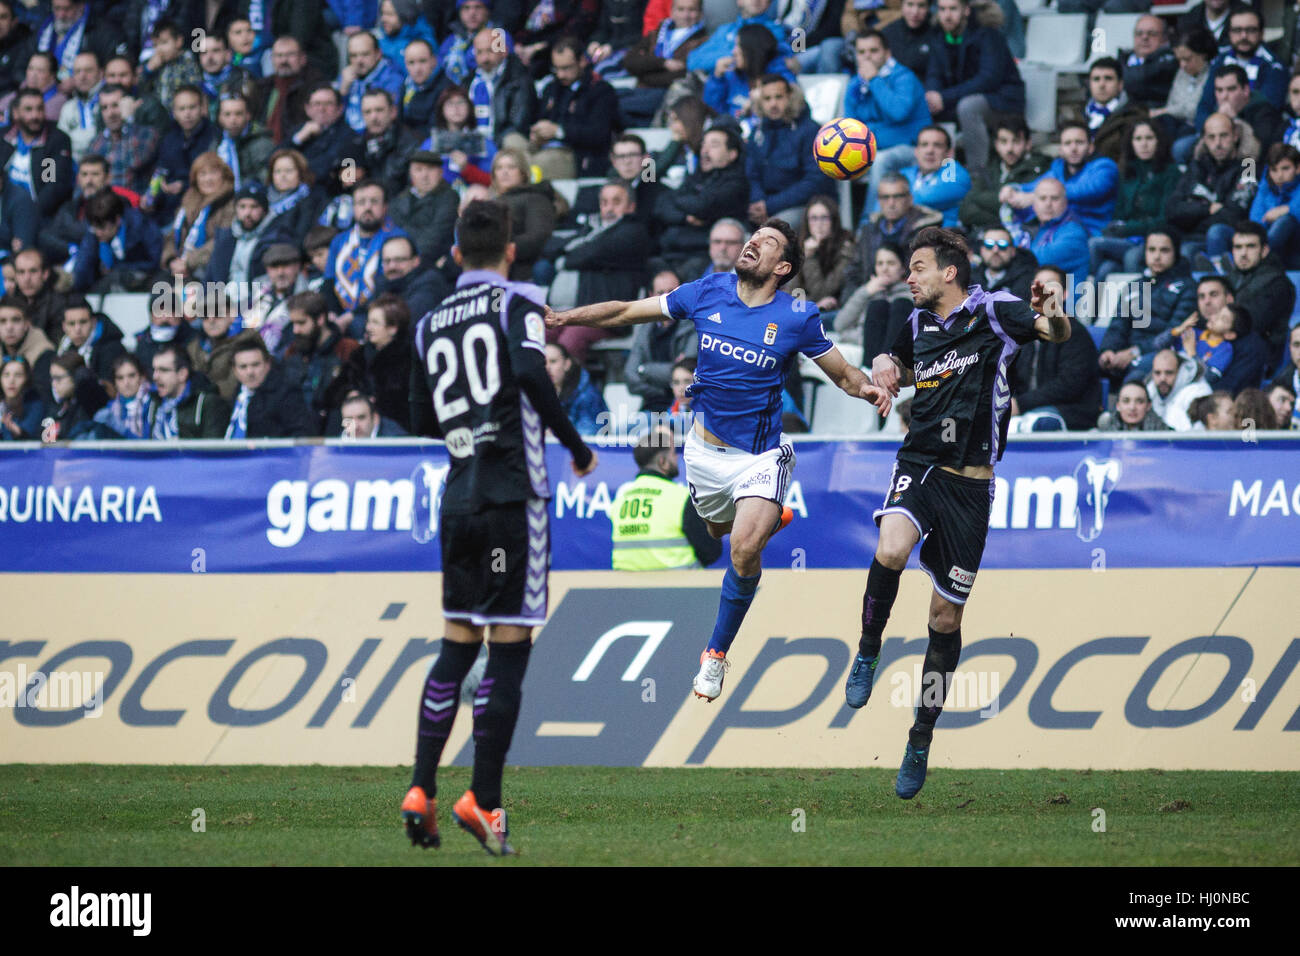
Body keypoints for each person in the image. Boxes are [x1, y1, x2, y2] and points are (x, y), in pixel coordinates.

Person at [548, 217, 890, 705]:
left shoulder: (796, 314)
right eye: (754, 236)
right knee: (716, 530)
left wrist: (867, 389)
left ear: (784, 266)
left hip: (761, 454)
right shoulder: (708, 290)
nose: (753, 243)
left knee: (744, 550)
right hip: (704, 454)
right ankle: (766, 516)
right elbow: (626, 311)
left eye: (767, 242)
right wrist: (564, 318)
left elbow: (841, 373)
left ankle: (715, 653)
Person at [402, 199, 598, 856]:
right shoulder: (518, 309)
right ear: (510, 253)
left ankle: (421, 787)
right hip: (513, 497)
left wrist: (467, 429)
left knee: (457, 646)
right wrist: (574, 443)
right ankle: (483, 800)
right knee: (509, 649)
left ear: (456, 254)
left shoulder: (430, 323)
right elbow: (524, 371)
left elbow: (416, 410)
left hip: (457, 496)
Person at [849, 226, 1073, 799]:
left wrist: (1053, 303)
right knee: (891, 548)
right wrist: (882, 362)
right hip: (921, 462)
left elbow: (1055, 330)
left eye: (918, 267)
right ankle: (868, 652)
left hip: (973, 488)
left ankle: (920, 736)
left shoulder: (995, 311)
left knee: (944, 621)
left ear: (949, 272)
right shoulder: (917, 319)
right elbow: (891, 355)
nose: (910, 276)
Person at [923, 0, 1023, 178]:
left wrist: (944, 97)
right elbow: (934, 73)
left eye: (953, 9)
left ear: (966, 10)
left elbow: (988, 79)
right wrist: (933, 95)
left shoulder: (988, 34)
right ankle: (940, 175)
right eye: (943, 9)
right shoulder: (938, 36)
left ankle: (978, 174)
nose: (947, 15)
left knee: (968, 107)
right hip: (959, 98)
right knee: (927, 105)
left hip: (1002, 100)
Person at [848, 29, 940, 211]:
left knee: (882, 160)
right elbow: (850, 129)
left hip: (911, 148)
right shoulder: (854, 84)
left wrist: (875, 80)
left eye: (873, 51)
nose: (867, 57)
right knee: (833, 161)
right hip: (872, 149)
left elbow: (898, 112)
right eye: (861, 52)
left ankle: (869, 224)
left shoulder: (904, 77)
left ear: (887, 53)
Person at [612, 426, 723, 570]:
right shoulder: (681, 497)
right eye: (672, 453)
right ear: (662, 462)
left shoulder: (622, 496)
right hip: (678, 587)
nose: (676, 457)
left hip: (627, 588)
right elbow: (711, 551)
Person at [1008, 265, 1101, 431]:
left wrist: (1020, 404)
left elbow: (1069, 386)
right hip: (1026, 409)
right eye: (1038, 285)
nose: (1043, 290)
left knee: (1038, 424)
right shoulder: (1022, 332)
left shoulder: (1076, 333)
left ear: (1065, 294)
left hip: (1070, 411)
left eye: (1051, 285)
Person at [1098, 229, 1196, 385]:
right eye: (1152, 250)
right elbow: (1117, 326)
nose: (1157, 256)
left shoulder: (1188, 288)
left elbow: (1172, 332)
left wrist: (1134, 352)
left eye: (1164, 250)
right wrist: (1108, 351)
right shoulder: (1133, 286)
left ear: (1175, 253)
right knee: (1083, 367)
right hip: (1127, 352)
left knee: (1136, 374)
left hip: (1160, 354)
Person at [652, 126, 749, 276]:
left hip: (701, 256)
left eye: (714, 145)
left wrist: (677, 200)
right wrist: (685, 217)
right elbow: (661, 205)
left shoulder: (735, 184)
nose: (705, 150)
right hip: (671, 252)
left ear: (732, 154)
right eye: (703, 144)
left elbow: (701, 206)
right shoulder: (696, 177)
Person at [1166, 112, 1259, 267]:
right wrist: (1207, 209)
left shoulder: (1249, 165)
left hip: (1231, 238)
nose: (1218, 143)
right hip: (1193, 236)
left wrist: (1191, 217)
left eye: (1224, 136)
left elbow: (1234, 215)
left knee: (1212, 235)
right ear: (1204, 139)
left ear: (1235, 136)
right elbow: (1172, 209)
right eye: (1211, 137)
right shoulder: (1197, 164)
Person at [1090, 119, 1179, 280]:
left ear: (1159, 141)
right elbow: (1119, 213)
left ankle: (1139, 302)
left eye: (1149, 138)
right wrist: (1115, 228)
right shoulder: (1127, 172)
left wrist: (1127, 229)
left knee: (1131, 257)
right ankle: (1089, 304)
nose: (1143, 144)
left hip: (1154, 240)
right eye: (1138, 139)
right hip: (1128, 238)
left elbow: (1164, 218)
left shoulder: (1171, 173)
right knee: (1103, 265)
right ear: (1130, 143)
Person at [523, 36, 619, 181]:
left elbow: (599, 134)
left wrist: (559, 131)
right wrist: (536, 133)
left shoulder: (601, 90)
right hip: (542, 148)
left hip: (576, 155)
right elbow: (538, 118)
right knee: (509, 154)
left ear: (582, 61)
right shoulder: (551, 88)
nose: (561, 74)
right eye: (556, 68)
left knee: (529, 168)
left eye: (566, 68)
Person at [841, 174, 942, 307]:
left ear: (909, 199)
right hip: (869, 302)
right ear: (879, 200)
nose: (891, 203)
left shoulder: (926, 232)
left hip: (910, 302)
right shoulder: (869, 231)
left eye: (897, 196)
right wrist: (852, 301)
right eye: (885, 197)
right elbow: (854, 272)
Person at [1007, 122, 1118, 239]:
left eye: (1079, 142)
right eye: (1067, 143)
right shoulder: (1058, 168)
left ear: (1090, 147)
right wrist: (1013, 189)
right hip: (1059, 229)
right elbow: (1038, 184)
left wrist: (1035, 196)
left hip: (1094, 234)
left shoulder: (1105, 168)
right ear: (1060, 149)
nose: (1073, 148)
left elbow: (1086, 190)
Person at [559, 179, 654, 314]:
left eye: (616, 202)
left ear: (631, 207)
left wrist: (564, 258)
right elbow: (551, 245)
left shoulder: (633, 233)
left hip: (607, 315)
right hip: (573, 309)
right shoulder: (590, 228)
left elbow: (593, 253)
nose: (609, 208)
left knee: (569, 336)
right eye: (604, 202)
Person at [1193, 7, 1288, 136]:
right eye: (1237, 30)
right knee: (1181, 148)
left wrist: (1234, 120)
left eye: (1250, 30)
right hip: (1215, 130)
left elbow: (1269, 112)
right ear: (1229, 33)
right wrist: (1214, 124)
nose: (1244, 36)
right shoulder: (1219, 61)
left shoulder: (1274, 66)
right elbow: (1204, 107)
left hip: (1255, 135)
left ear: (1261, 33)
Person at [743, 74, 820, 227]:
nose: (773, 104)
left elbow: (813, 181)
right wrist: (758, 202)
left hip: (800, 207)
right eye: (767, 99)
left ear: (790, 97)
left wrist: (770, 205)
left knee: (773, 229)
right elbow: (751, 174)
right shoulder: (758, 132)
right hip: (763, 207)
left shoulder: (810, 131)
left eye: (779, 97)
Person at [323, 179, 407, 319]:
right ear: (354, 207)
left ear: (385, 207)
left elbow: (392, 286)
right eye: (361, 202)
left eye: (374, 202)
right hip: (340, 316)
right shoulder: (339, 241)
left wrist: (352, 317)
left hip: (382, 316)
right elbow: (329, 282)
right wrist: (332, 315)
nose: (367, 208)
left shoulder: (398, 240)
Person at [618, 0, 709, 128]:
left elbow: (681, 75)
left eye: (691, 10)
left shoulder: (703, 41)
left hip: (665, 94)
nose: (686, 15)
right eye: (681, 9)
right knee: (609, 95)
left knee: (610, 105)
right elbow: (629, 61)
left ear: (700, 14)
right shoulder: (658, 33)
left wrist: (644, 71)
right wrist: (663, 63)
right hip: (640, 90)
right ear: (671, 12)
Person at [328, 291, 410, 431]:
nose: (368, 328)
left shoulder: (408, 358)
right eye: (368, 321)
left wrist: (369, 403)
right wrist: (350, 394)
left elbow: (402, 403)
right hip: (355, 429)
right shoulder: (359, 356)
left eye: (375, 323)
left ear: (393, 328)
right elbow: (334, 391)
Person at [1223, 220, 1297, 368]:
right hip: (1227, 350)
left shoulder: (1277, 283)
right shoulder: (1230, 278)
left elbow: (1251, 323)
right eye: (1238, 247)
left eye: (1250, 246)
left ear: (1264, 250)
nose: (1243, 253)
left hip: (1260, 358)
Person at [283, 288, 360, 427]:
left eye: (301, 323)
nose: (295, 330)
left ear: (320, 319)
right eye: (293, 323)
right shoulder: (292, 352)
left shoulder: (347, 350)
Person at [958, 116, 1049, 232]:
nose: (1009, 148)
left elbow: (1019, 214)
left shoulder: (1037, 168)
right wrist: (1004, 218)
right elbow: (966, 211)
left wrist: (982, 200)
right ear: (996, 144)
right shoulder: (990, 168)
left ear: (1028, 144)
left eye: (1016, 141)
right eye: (1004, 141)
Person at [625, 269, 698, 412]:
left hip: (683, 410)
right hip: (649, 407)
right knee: (618, 431)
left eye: (671, 291)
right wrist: (663, 390)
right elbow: (630, 376)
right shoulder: (645, 329)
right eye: (660, 293)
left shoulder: (693, 326)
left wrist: (644, 369)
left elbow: (688, 371)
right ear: (651, 295)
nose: (666, 298)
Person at [0, 85, 75, 218]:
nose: (35, 115)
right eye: (28, 109)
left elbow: (51, 186)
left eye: (40, 109)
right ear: (16, 113)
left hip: (37, 214)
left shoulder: (52, 141)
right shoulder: (5, 138)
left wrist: (28, 214)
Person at [159, 151, 236, 280]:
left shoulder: (230, 204)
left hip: (207, 271)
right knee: (159, 288)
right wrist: (171, 260)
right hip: (178, 268)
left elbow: (220, 242)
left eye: (213, 173)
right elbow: (172, 236)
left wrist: (188, 263)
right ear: (195, 178)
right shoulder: (188, 201)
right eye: (203, 174)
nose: (208, 179)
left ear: (224, 176)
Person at [224, 336, 316, 438]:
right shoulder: (238, 395)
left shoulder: (287, 394)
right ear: (234, 370)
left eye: (255, 365)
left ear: (268, 364)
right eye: (243, 367)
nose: (250, 372)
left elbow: (301, 433)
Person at [834, 240, 913, 357]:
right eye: (880, 263)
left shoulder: (910, 294)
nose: (884, 268)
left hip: (898, 357)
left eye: (891, 263)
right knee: (877, 306)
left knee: (898, 305)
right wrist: (865, 291)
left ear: (902, 269)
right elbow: (839, 325)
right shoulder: (868, 293)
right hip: (868, 352)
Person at [72, 188, 162, 292]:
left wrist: (119, 269)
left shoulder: (143, 227)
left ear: (117, 220)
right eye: (95, 228)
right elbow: (82, 271)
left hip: (144, 284)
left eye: (103, 228)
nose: (98, 233)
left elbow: (154, 262)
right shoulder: (93, 233)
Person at [148, 84, 216, 221]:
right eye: (182, 109)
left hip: (200, 205)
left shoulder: (214, 137)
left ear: (202, 109)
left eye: (192, 107)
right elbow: (160, 170)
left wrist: (184, 186)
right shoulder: (169, 137)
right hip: (167, 207)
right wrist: (151, 195)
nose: (187, 114)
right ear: (174, 112)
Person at [703, 24, 793, 126]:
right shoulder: (732, 75)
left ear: (752, 50)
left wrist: (758, 103)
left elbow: (790, 112)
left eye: (738, 45)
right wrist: (717, 79)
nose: (733, 52)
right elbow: (714, 111)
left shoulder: (781, 77)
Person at [489, 148, 556, 283]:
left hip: (521, 270)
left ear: (523, 173)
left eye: (511, 167)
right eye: (499, 168)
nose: (504, 172)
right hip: (492, 268)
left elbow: (538, 237)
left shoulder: (536, 198)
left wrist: (500, 250)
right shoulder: (491, 202)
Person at [206, 181, 290, 286]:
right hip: (222, 299)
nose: (247, 213)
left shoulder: (276, 237)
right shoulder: (225, 237)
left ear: (264, 209)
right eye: (242, 207)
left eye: (254, 207)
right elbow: (209, 279)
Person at [86, 82, 159, 196]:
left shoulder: (147, 133)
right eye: (104, 108)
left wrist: (129, 120)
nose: (110, 113)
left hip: (135, 207)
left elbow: (135, 161)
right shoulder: (96, 142)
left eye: (115, 105)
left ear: (128, 104)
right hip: (103, 206)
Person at [467, 26, 537, 144]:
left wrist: (492, 145)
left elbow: (518, 124)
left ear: (504, 50)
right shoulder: (468, 81)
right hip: (472, 142)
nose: (485, 58)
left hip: (503, 143)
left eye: (490, 50)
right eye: (479, 52)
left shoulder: (519, 80)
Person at [790, 196, 855, 318]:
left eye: (824, 218)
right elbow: (793, 294)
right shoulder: (801, 244)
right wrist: (803, 257)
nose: (819, 224)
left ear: (834, 221)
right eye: (813, 218)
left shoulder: (846, 247)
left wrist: (810, 258)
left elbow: (823, 292)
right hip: (810, 308)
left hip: (836, 312)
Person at [148, 342, 229, 439]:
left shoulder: (208, 404)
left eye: (163, 370)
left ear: (182, 374)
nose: (155, 377)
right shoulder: (154, 403)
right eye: (154, 370)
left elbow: (212, 450)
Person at [257, 36, 323, 144]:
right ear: (272, 59)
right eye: (279, 55)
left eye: (290, 55)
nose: (284, 60)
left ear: (302, 58)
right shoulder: (263, 86)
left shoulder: (315, 85)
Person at [1026, 178, 1089, 287]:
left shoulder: (1074, 232)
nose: (1048, 204)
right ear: (1034, 204)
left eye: (1054, 198)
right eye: (1042, 198)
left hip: (1064, 302)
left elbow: (1037, 259)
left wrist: (1008, 253)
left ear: (1065, 202)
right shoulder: (1030, 228)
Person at [339, 31, 403, 134]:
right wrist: (343, 92)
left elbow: (387, 119)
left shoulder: (391, 79)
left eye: (365, 54)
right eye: (353, 56)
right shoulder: (346, 76)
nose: (359, 60)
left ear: (378, 54)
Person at [286, 85, 353, 184]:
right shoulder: (298, 131)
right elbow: (274, 159)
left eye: (328, 104)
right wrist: (298, 139)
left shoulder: (348, 136)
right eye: (317, 104)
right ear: (307, 109)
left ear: (340, 108)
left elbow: (326, 166)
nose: (322, 109)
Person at [373, 234, 450, 321]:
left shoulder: (429, 283)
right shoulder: (382, 284)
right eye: (387, 261)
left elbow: (404, 322)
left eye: (399, 260)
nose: (392, 266)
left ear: (416, 261)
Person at [1084, 57, 1146, 164]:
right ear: (1090, 84)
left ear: (1120, 85)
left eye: (1108, 78)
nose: (1101, 85)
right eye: (1096, 79)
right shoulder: (1078, 115)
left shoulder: (1134, 116)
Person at [1251, 142, 1300, 268]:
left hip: (1296, 247)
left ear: (1298, 168)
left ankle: (1259, 264)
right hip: (1273, 249)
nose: (1279, 175)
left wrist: (1287, 210)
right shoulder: (1265, 188)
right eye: (1274, 170)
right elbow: (1256, 220)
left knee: (1285, 221)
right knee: (1219, 231)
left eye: (1285, 168)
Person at [57, 297, 124, 387]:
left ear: (93, 322)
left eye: (83, 322)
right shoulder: (64, 347)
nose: (77, 329)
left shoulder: (112, 349)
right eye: (71, 324)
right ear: (64, 326)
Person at [544, 340, 607, 435]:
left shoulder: (587, 395)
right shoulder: (533, 393)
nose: (547, 367)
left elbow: (589, 436)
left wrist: (554, 435)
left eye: (553, 361)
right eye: (543, 362)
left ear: (567, 364)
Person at [43, 350, 107, 441]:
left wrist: (80, 375)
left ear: (75, 376)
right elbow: (45, 440)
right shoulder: (59, 407)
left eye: (58, 378)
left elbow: (87, 383)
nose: (53, 384)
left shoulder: (90, 401)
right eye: (52, 378)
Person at [0, 295, 54, 400]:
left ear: (27, 324)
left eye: (15, 320)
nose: (9, 327)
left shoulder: (44, 353)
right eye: (2, 321)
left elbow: (42, 399)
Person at [1121, 15, 1179, 111]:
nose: (1144, 37)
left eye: (1152, 33)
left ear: (1165, 38)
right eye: (1139, 33)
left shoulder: (1171, 61)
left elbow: (1138, 80)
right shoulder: (1122, 59)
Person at [1146, 347, 1212, 430]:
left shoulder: (1199, 392)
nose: (1162, 378)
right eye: (1157, 373)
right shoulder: (1148, 390)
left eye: (1169, 373)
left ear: (1180, 371)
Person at [55, 50, 101, 161]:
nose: (82, 76)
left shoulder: (109, 103)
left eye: (88, 70)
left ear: (100, 73)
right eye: (77, 71)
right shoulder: (68, 107)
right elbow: (60, 144)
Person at [92, 352, 152, 438]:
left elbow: (150, 446)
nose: (126, 383)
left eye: (131, 376)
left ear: (142, 377)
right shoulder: (110, 408)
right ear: (115, 382)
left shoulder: (152, 403)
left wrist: (124, 431)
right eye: (120, 378)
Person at [971, 226, 1037, 302]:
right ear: (981, 250)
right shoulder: (969, 278)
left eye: (1002, 245)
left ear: (1013, 251)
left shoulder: (1026, 280)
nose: (995, 250)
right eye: (989, 245)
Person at [881, 0, 941, 80]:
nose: (915, 12)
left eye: (921, 6)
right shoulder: (888, 33)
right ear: (902, 5)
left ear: (929, 7)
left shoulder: (937, 34)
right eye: (910, 4)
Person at [1102, 380, 1173, 431]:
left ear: (1148, 406)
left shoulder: (1168, 436)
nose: (1132, 407)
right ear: (1118, 406)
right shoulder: (1102, 435)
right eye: (1126, 401)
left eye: (1139, 401)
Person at [339, 389, 407, 437]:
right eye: (349, 419)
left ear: (375, 418)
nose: (355, 426)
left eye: (361, 417)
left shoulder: (396, 441)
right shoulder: (340, 439)